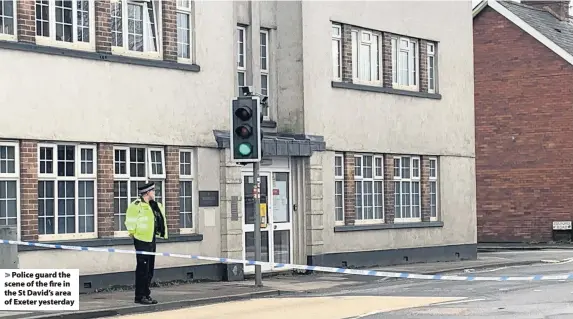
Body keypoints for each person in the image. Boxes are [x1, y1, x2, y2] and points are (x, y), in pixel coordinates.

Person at [125, 181, 168, 305]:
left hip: (151, 239)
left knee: (150, 269)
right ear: (147, 192)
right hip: (141, 240)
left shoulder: (154, 205)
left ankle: (146, 294)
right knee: (142, 269)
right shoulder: (136, 205)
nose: (154, 193)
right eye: (153, 191)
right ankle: (139, 296)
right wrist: (134, 234)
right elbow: (130, 221)